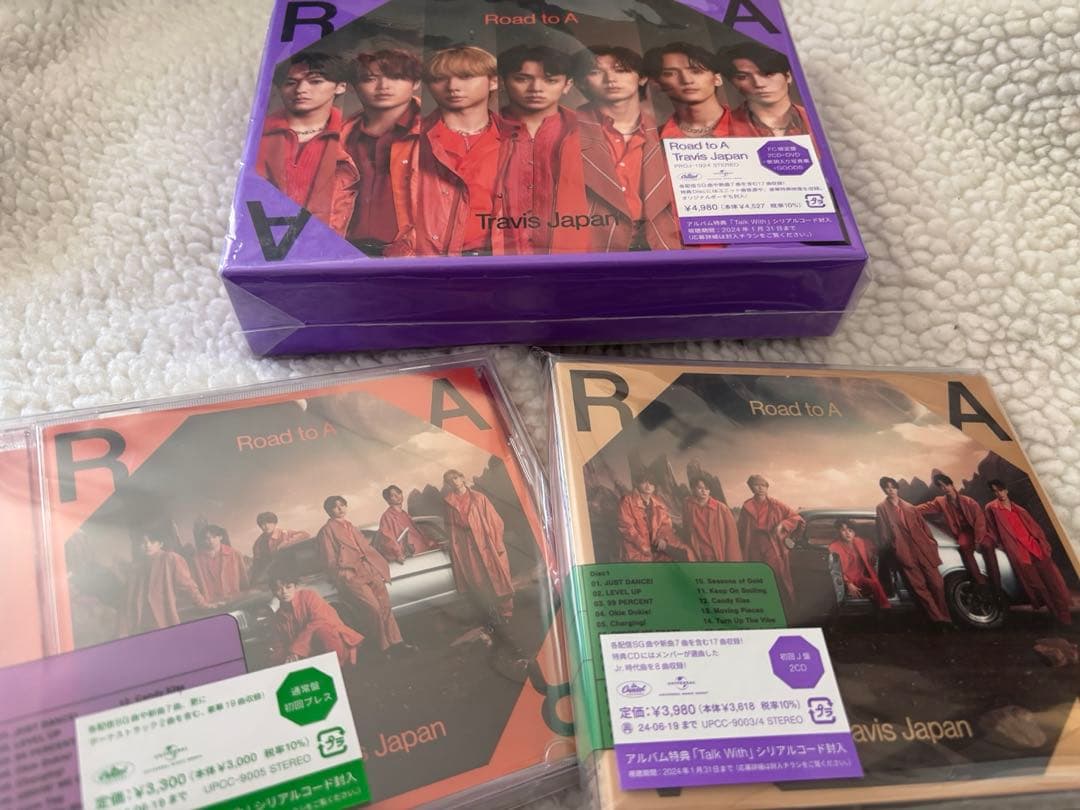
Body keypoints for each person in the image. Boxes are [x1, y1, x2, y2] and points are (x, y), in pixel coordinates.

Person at [386, 46, 510, 257]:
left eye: (466, 76)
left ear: (494, 81)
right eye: (439, 79)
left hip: (501, 263)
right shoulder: (406, 141)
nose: (453, 87)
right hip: (428, 264)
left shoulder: (521, 141)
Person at [572, 46, 680, 252]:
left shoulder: (666, 132)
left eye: (621, 70)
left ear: (642, 78)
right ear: (580, 82)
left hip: (661, 246)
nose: (611, 79)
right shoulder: (564, 131)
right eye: (595, 72)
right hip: (594, 248)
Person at [494, 44, 589, 255]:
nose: (536, 88)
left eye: (550, 80)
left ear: (567, 85)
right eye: (522, 79)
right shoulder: (485, 129)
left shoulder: (589, 133)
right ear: (502, 81)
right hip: (499, 259)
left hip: (573, 257)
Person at [255, 52, 358, 235]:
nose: (301, 89)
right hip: (264, 239)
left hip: (325, 245)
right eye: (291, 82)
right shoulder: (257, 136)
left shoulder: (353, 136)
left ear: (340, 86)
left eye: (315, 81)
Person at [342, 49, 423, 256]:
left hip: (414, 254)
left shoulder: (436, 131)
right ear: (353, 86)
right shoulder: (341, 136)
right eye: (370, 79)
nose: (383, 86)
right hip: (347, 251)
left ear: (416, 83)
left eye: (396, 77)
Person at [316, 495, 413, 655]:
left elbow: (368, 549)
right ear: (328, 511)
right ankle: (383, 648)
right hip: (351, 574)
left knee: (385, 607)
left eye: (342, 505)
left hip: (369, 569)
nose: (340, 509)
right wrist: (343, 574)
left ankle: (397, 642)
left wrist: (378, 565)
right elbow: (329, 559)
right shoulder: (326, 531)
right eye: (335, 506)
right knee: (374, 609)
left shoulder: (350, 525)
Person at [985, 479, 1073, 625]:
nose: (999, 493)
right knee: (1038, 586)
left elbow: (1035, 528)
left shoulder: (1020, 509)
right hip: (1018, 552)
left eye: (1000, 490)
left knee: (1053, 582)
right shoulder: (991, 508)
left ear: (1006, 490)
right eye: (995, 491)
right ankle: (1055, 614)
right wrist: (1000, 546)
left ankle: (1064, 615)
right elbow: (992, 530)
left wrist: (1043, 544)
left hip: (1036, 549)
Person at [875, 477, 952, 627]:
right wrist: (896, 550)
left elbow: (925, 529)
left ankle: (945, 617)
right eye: (887, 487)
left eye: (893, 487)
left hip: (923, 550)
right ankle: (938, 619)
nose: (890, 490)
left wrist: (931, 545)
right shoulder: (881, 508)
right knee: (919, 588)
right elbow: (883, 535)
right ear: (883, 490)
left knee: (937, 584)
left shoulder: (910, 507)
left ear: (897, 488)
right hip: (904, 552)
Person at [443, 469, 515, 624]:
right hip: (466, 544)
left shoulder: (479, 498)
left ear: (462, 477)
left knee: (497, 575)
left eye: (455, 477)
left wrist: (496, 543)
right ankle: (492, 612)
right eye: (450, 481)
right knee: (478, 579)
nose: (454, 482)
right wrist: (455, 547)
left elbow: (495, 521)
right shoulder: (449, 503)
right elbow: (451, 529)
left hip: (485, 541)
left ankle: (506, 612)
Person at [267, 570, 364, 668]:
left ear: (295, 587)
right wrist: (281, 664)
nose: (284, 592)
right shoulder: (278, 617)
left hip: (335, 646)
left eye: (288, 587)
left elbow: (319, 621)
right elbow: (279, 645)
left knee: (323, 631)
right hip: (309, 656)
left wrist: (296, 651)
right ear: (273, 592)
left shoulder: (309, 596)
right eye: (278, 589)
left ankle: (337, 668)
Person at [917, 473, 999, 589]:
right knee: (963, 546)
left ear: (951, 485)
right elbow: (926, 507)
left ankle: (996, 585)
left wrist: (977, 541)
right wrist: (909, 509)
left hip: (977, 530)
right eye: (941, 487)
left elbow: (980, 521)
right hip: (964, 532)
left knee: (988, 545)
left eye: (946, 485)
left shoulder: (969, 501)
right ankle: (980, 582)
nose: (945, 488)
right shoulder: (941, 502)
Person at [716, 42, 812, 139]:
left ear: (788, 76)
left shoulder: (815, 119)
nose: (759, 84)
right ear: (732, 82)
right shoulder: (721, 127)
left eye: (768, 74)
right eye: (742, 77)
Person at [121, 532, 214, 633]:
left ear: (161, 543)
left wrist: (203, 604)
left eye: (152, 541)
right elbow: (128, 599)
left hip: (161, 617)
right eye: (143, 542)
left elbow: (188, 586)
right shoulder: (136, 568)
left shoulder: (170, 558)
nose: (148, 545)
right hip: (140, 621)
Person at [736, 475, 804, 605]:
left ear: (767, 487)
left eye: (763, 485)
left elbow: (796, 518)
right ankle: (760, 604)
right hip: (753, 545)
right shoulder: (747, 506)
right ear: (751, 488)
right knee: (756, 575)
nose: (760, 488)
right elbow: (741, 529)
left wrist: (782, 525)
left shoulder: (776, 504)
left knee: (777, 574)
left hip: (772, 544)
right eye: (756, 485)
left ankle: (782, 604)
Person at [643, 42, 731, 138]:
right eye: (670, 74)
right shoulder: (653, 140)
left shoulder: (743, 125)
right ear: (658, 84)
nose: (687, 80)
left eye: (696, 71)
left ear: (717, 79)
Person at [617, 474, 688, 562]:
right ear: (637, 484)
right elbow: (627, 528)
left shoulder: (659, 502)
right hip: (635, 547)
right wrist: (644, 546)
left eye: (651, 483)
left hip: (656, 544)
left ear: (654, 487)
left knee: (684, 553)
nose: (648, 486)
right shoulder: (627, 501)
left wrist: (662, 538)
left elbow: (665, 524)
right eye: (644, 482)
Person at [829, 519, 890, 608]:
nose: (847, 533)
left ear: (854, 532)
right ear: (839, 532)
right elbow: (836, 569)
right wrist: (848, 584)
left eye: (850, 530)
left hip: (859, 578)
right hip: (843, 580)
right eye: (843, 530)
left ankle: (885, 609)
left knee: (874, 583)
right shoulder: (834, 546)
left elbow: (876, 549)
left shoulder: (861, 542)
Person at [376, 484, 439, 563]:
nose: (397, 496)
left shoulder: (404, 514)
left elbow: (417, 533)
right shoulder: (387, 517)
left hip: (423, 553)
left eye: (398, 493)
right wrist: (398, 554)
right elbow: (388, 539)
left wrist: (430, 543)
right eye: (393, 495)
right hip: (411, 558)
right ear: (388, 500)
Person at [682, 477, 740, 561]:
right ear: (693, 489)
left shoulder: (721, 509)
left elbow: (732, 538)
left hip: (716, 554)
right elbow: (686, 529)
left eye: (706, 488)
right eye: (700, 488)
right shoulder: (688, 505)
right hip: (697, 553)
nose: (704, 491)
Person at [193, 525, 249, 602]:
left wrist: (245, 597)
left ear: (220, 537)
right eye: (207, 538)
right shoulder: (197, 559)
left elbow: (243, 578)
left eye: (214, 537)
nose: (211, 540)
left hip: (234, 599)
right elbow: (195, 583)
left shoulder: (235, 554)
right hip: (211, 602)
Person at [250, 511, 310, 584]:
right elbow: (256, 563)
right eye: (262, 524)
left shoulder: (284, 533)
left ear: (275, 523)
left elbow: (305, 534)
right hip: (270, 574)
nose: (266, 526)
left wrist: (284, 544)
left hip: (289, 570)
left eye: (269, 522)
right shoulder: (258, 543)